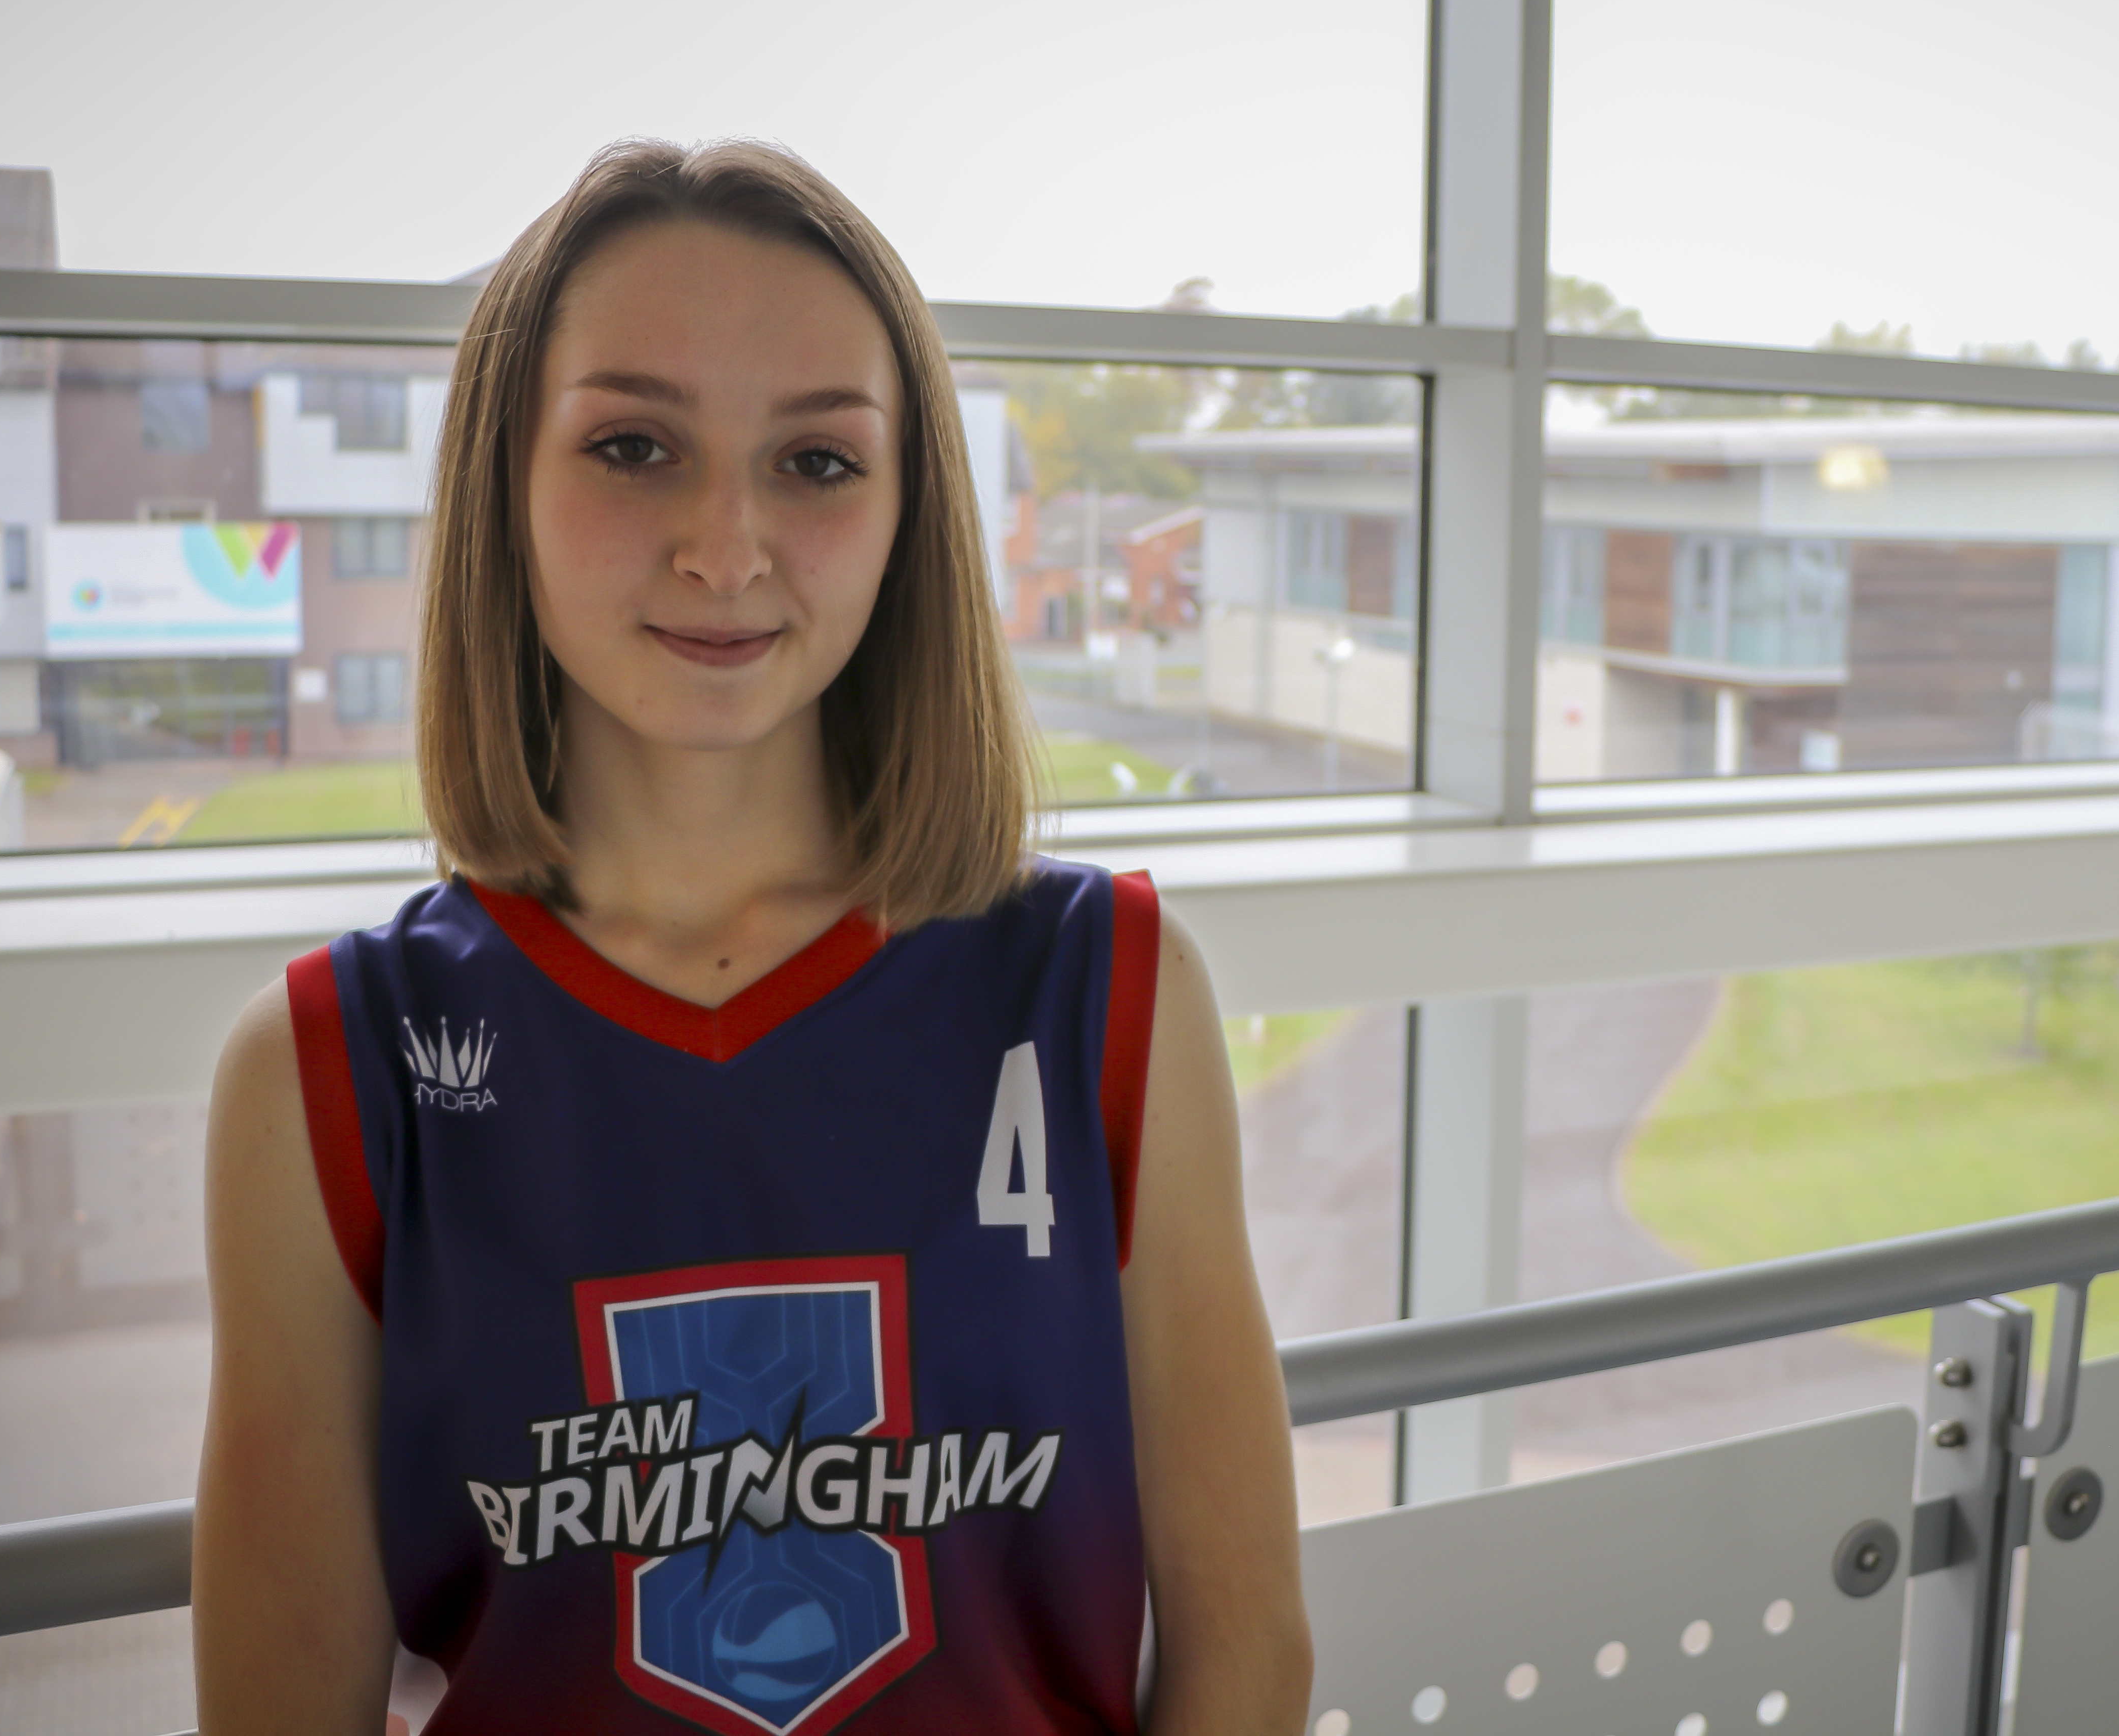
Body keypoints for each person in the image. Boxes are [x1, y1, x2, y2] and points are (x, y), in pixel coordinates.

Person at [192, 141, 1311, 1734]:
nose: (726, 545)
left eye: (818, 462)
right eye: (635, 446)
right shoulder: (326, 1071)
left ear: (908, 511)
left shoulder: (1107, 993)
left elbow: (1246, 1661)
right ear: (504, 483)